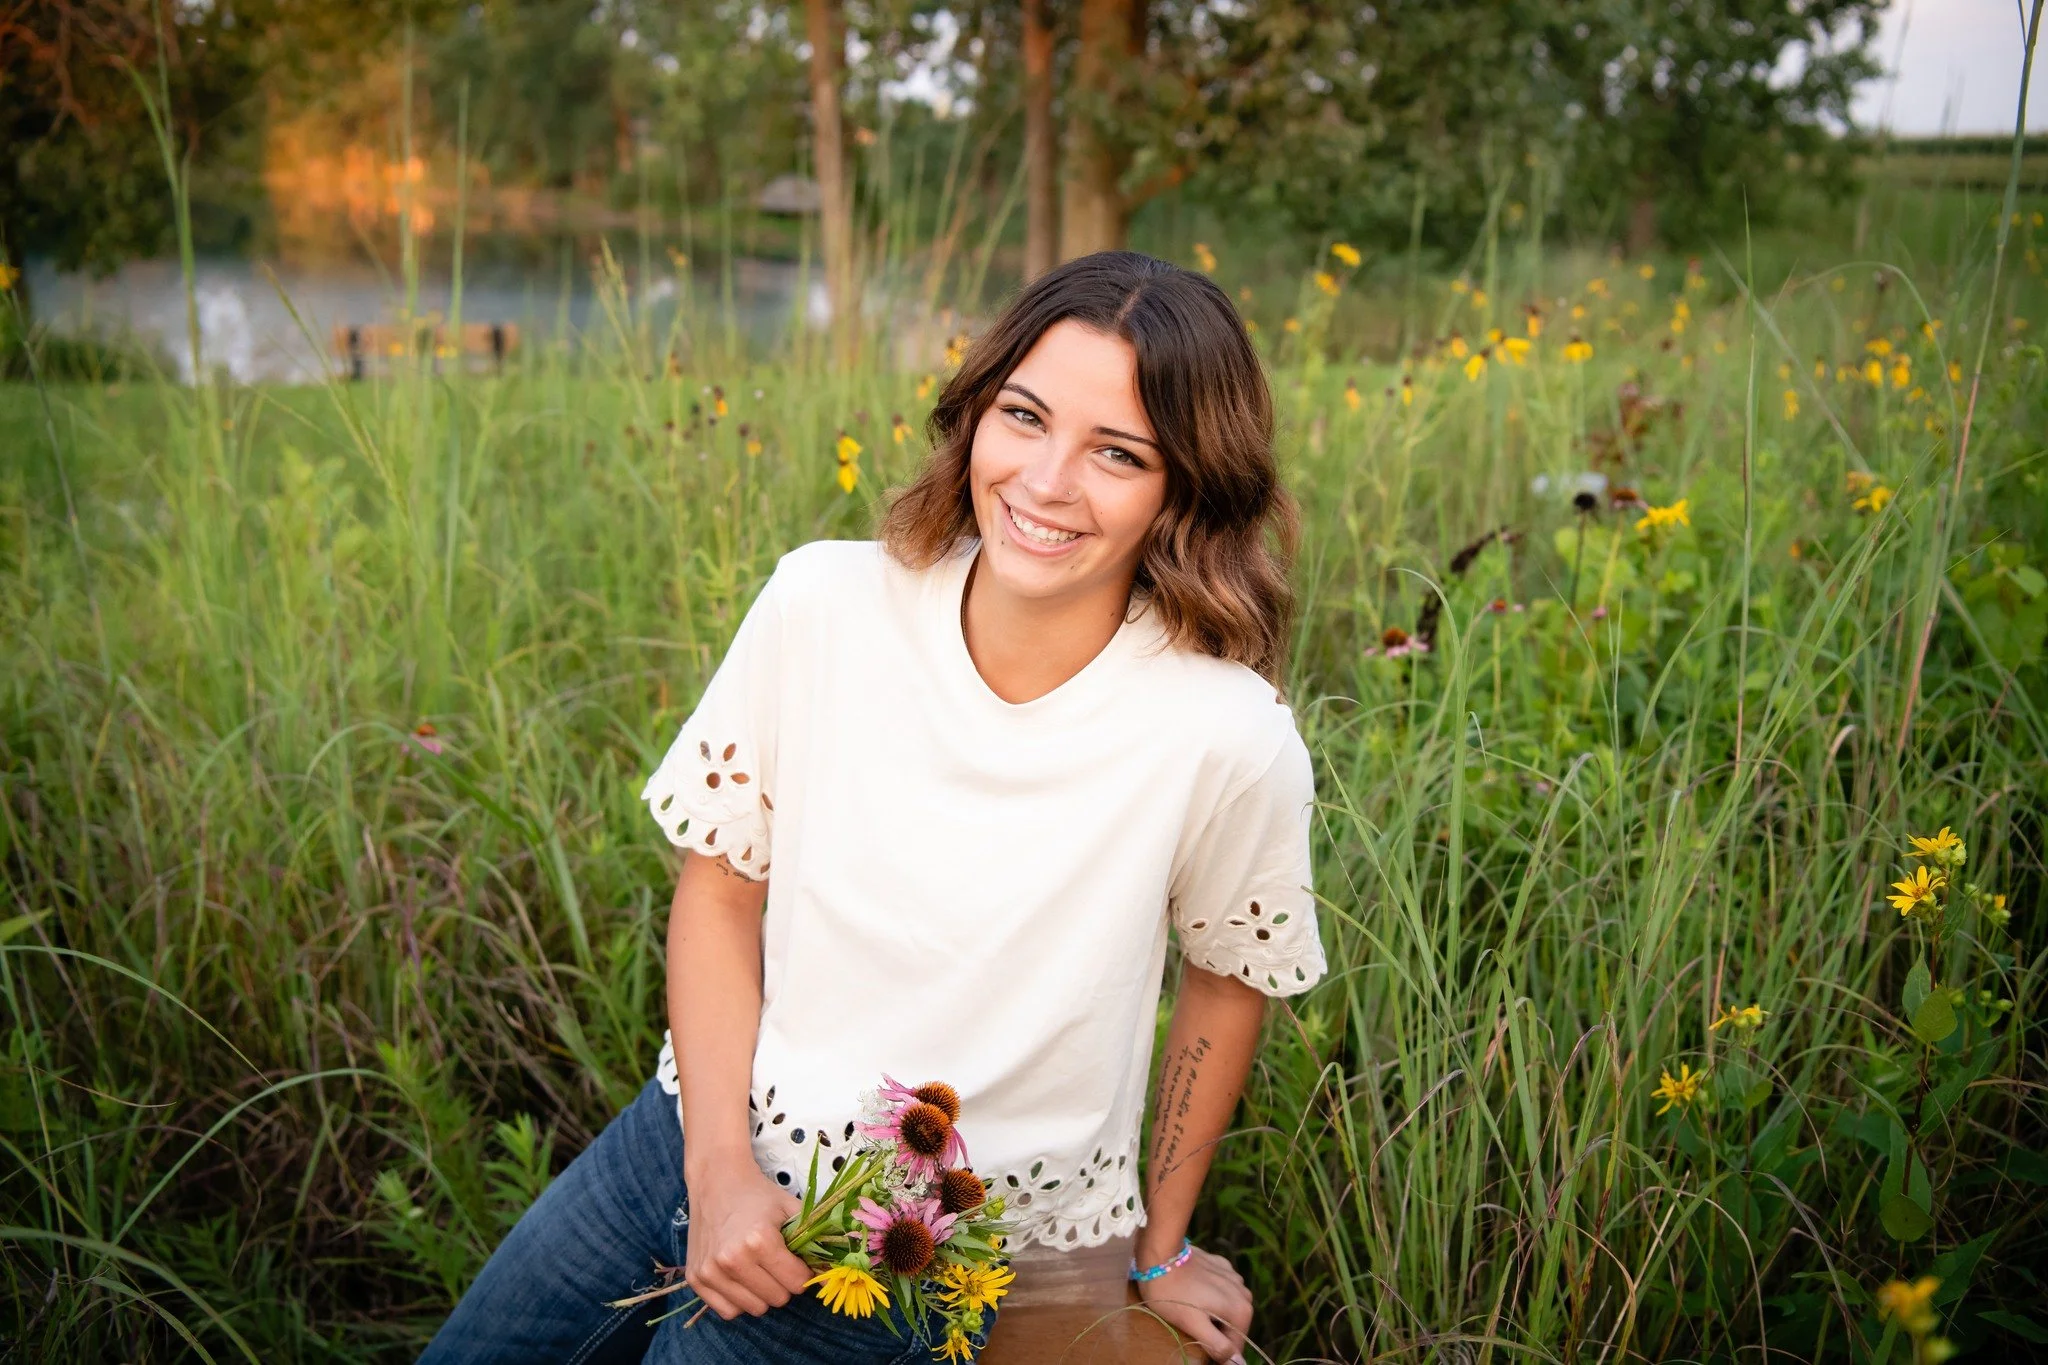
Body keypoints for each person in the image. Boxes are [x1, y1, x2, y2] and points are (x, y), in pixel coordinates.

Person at [419, 250, 1328, 1365]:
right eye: (1024, 417)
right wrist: (716, 1175)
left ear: (1185, 488)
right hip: (686, 1138)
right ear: (974, 410)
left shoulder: (1222, 733)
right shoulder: (824, 602)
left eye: (1118, 453)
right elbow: (718, 891)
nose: (1045, 481)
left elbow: (1227, 983)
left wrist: (1159, 1248)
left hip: (902, 1244)